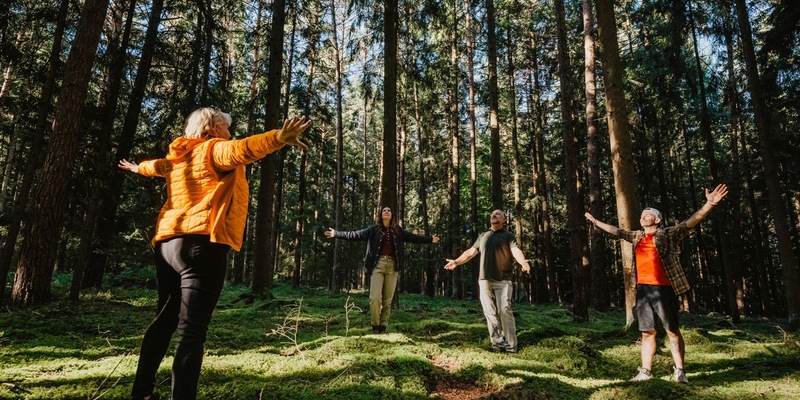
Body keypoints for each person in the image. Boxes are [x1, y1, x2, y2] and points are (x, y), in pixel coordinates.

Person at [119, 108, 311, 400]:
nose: (230, 132)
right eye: (226, 127)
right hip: (200, 246)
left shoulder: (177, 157)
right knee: (191, 331)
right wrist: (278, 137)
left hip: (167, 245)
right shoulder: (214, 149)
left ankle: (141, 393)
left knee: (165, 320)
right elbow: (243, 149)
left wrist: (136, 168)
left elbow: (156, 166)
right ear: (212, 128)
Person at [584, 184, 729, 384]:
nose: (643, 216)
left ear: (657, 220)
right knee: (647, 332)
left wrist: (709, 204)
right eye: (642, 214)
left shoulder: (667, 234)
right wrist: (595, 221)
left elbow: (691, 222)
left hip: (664, 289)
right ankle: (645, 371)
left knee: (672, 331)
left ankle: (680, 371)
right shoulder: (637, 236)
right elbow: (617, 231)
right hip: (643, 290)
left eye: (648, 214)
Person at [324, 206, 439, 334]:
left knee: (387, 300)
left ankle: (383, 327)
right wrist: (336, 233)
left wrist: (430, 239)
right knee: (375, 297)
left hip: (392, 267)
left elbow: (414, 238)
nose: (386, 212)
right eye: (384, 210)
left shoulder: (398, 231)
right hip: (377, 266)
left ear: (392, 215)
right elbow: (355, 234)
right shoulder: (373, 230)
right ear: (380, 214)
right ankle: (375, 326)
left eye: (389, 210)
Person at [443, 209, 530, 353]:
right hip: (484, 280)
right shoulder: (483, 236)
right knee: (490, 312)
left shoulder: (508, 236)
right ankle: (497, 345)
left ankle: (511, 346)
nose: (494, 216)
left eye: (498, 214)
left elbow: (516, 251)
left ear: (503, 220)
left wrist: (523, 263)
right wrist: (456, 262)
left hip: (503, 280)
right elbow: (471, 252)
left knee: (504, 311)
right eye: (492, 214)